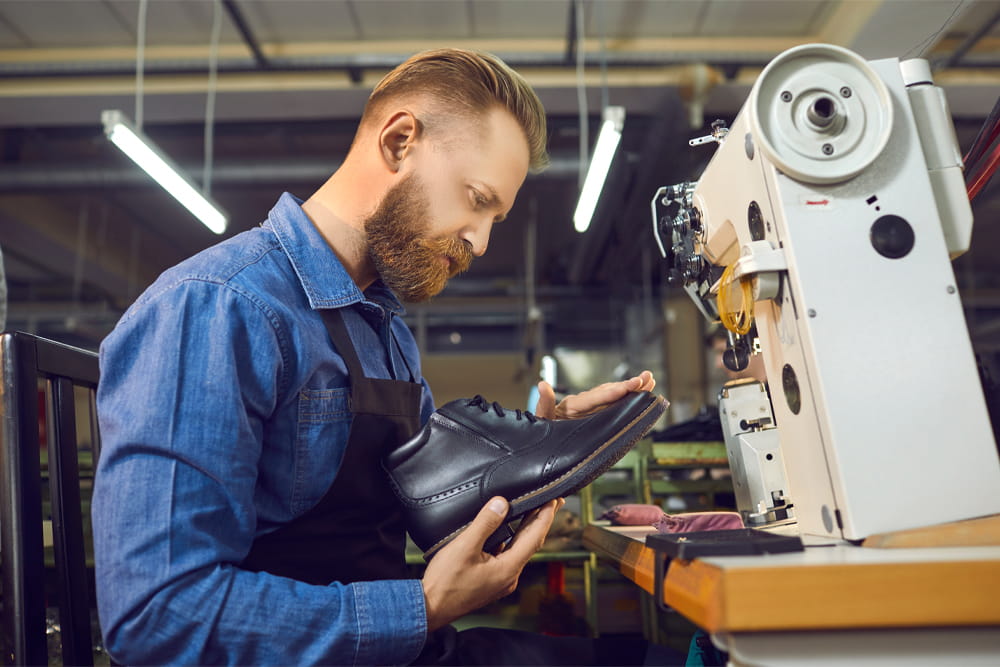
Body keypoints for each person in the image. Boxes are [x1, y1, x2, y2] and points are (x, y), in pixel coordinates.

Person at [92, 48, 671, 665]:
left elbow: (426, 504)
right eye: (477, 199)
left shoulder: (382, 323)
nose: (480, 240)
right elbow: (156, 614)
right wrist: (420, 609)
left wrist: (536, 448)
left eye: (496, 216)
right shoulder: (216, 309)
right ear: (399, 143)